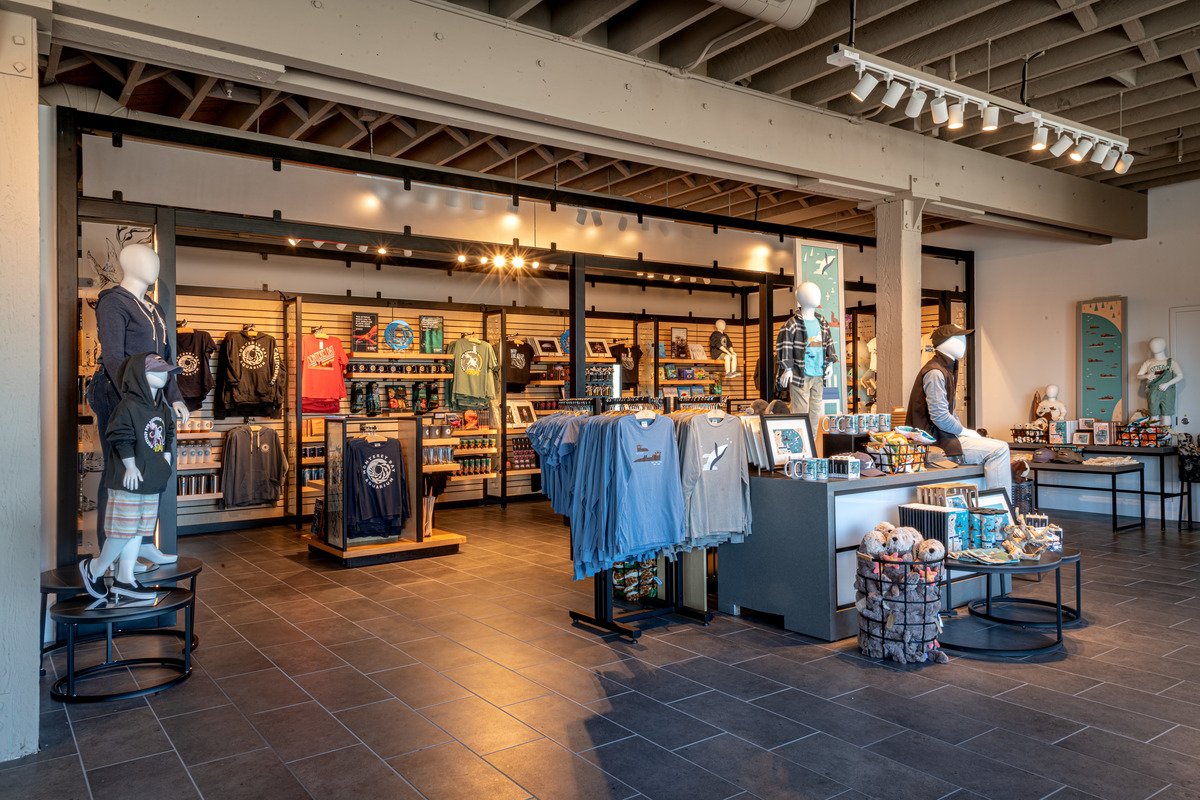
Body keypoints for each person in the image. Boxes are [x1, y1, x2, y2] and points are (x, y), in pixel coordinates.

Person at [906, 324, 1011, 493]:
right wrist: (965, 431)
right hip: (936, 441)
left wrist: (964, 431)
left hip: (942, 436)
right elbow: (940, 417)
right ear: (945, 342)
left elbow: (948, 412)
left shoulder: (944, 369)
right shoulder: (935, 372)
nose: (963, 343)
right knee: (1000, 449)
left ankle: (996, 506)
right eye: (958, 339)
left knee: (995, 444)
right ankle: (1000, 509)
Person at [1136, 337, 1184, 426]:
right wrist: (1146, 376)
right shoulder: (1148, 362)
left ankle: (1166, 436)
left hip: (1167, 390)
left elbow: (1180, 376)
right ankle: (1154, 436)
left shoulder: (1171, 362)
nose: (1154, 346)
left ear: (1163, 346)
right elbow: (1138, 376)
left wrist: (1167, 384)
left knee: (1167, 413)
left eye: (1157, 344)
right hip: (1153, 390)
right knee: (1153, 414)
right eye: (1152, 345)